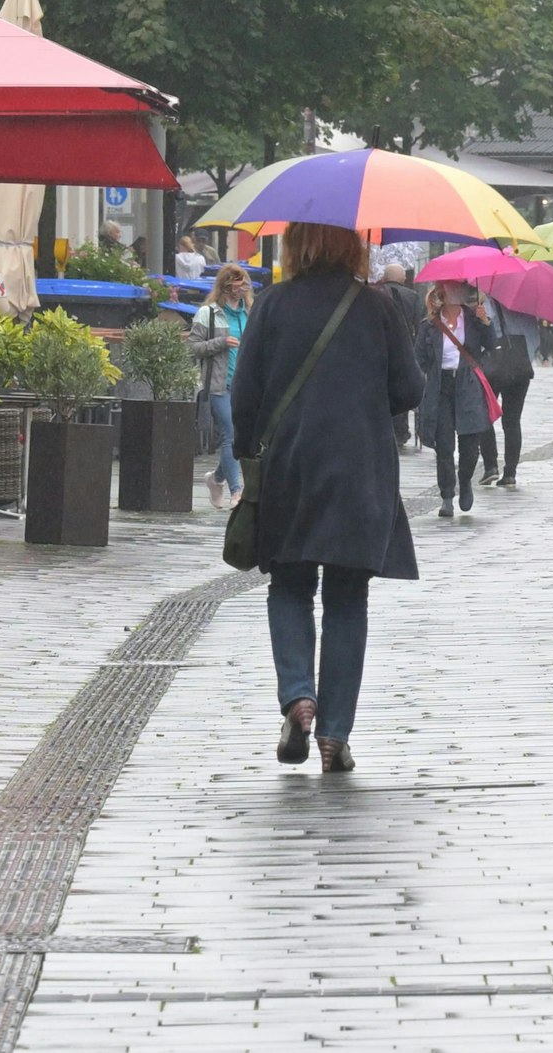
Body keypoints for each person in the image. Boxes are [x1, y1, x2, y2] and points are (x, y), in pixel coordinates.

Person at [230, 222, 421, 774]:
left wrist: (248, 456)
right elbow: (410, 389)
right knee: (347, 597)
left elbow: (245, 394)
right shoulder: (378, 306)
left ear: (294, 245)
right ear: (351, 246)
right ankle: (335, 731)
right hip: (359, 468)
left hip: (290, 466)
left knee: (289, 584)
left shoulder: (272, 305)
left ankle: (298, 696)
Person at [414, 282, 494, 517]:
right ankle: (447, 495)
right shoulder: (429, 325)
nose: (455, 292)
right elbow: (419, 359)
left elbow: (491, 344)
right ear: (441, 292)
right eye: (450, 288)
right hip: (441, 387)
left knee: (470, 445)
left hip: (467, 385)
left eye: (458, 288)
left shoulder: (473, 319)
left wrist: (485, 322)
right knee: (444, 445)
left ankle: (465, 481)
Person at [189, 264, 253, 509]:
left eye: (244, 281)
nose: (241, 287)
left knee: (242, 437)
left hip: (245, 387)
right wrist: (221, 342)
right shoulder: (208, 313)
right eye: (236, 281)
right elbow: (193, 347)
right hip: (218, 385)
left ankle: (216, 479)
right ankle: (237, 491)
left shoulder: (250, 313)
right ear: (225, 285)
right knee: (231, 435)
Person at [476, 293, 538, 489]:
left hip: (494, 367)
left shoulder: (489, 303)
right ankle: (510, 473)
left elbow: (486, 336)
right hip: (521, 368)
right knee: (512, 421)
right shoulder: (528, 307)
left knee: (484, 415)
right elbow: (535, 340)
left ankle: (490, 466)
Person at [377, 263, 424, 448]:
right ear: (403, 278)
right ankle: (401, 430)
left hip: (380, 348)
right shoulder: (413, 296)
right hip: (406, 346)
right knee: (401, 385)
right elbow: (419, 323)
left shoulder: (375, 294)